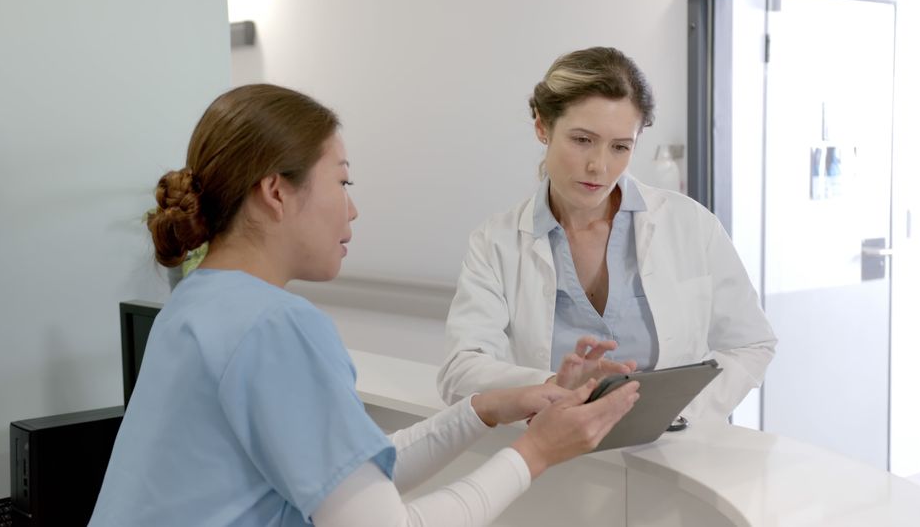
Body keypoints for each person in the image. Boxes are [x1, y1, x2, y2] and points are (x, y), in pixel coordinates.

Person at [89, 84, 639, 526]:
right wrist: (537, 453)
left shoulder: (195, 303)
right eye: (343, 181)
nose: (352, 210)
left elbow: (358, 476)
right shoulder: (276, 326)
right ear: (276, 191)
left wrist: (487, 408)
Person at [437, 47, 776, 424]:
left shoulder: (690, 225)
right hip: (558, 460)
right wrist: (556, 386)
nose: (599, 165)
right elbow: (460, 371)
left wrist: (675, 412)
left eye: (620, 147)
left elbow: (751, 343)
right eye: (582, 140)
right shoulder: (495, 242)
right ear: (542, 127)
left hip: (675, 455)